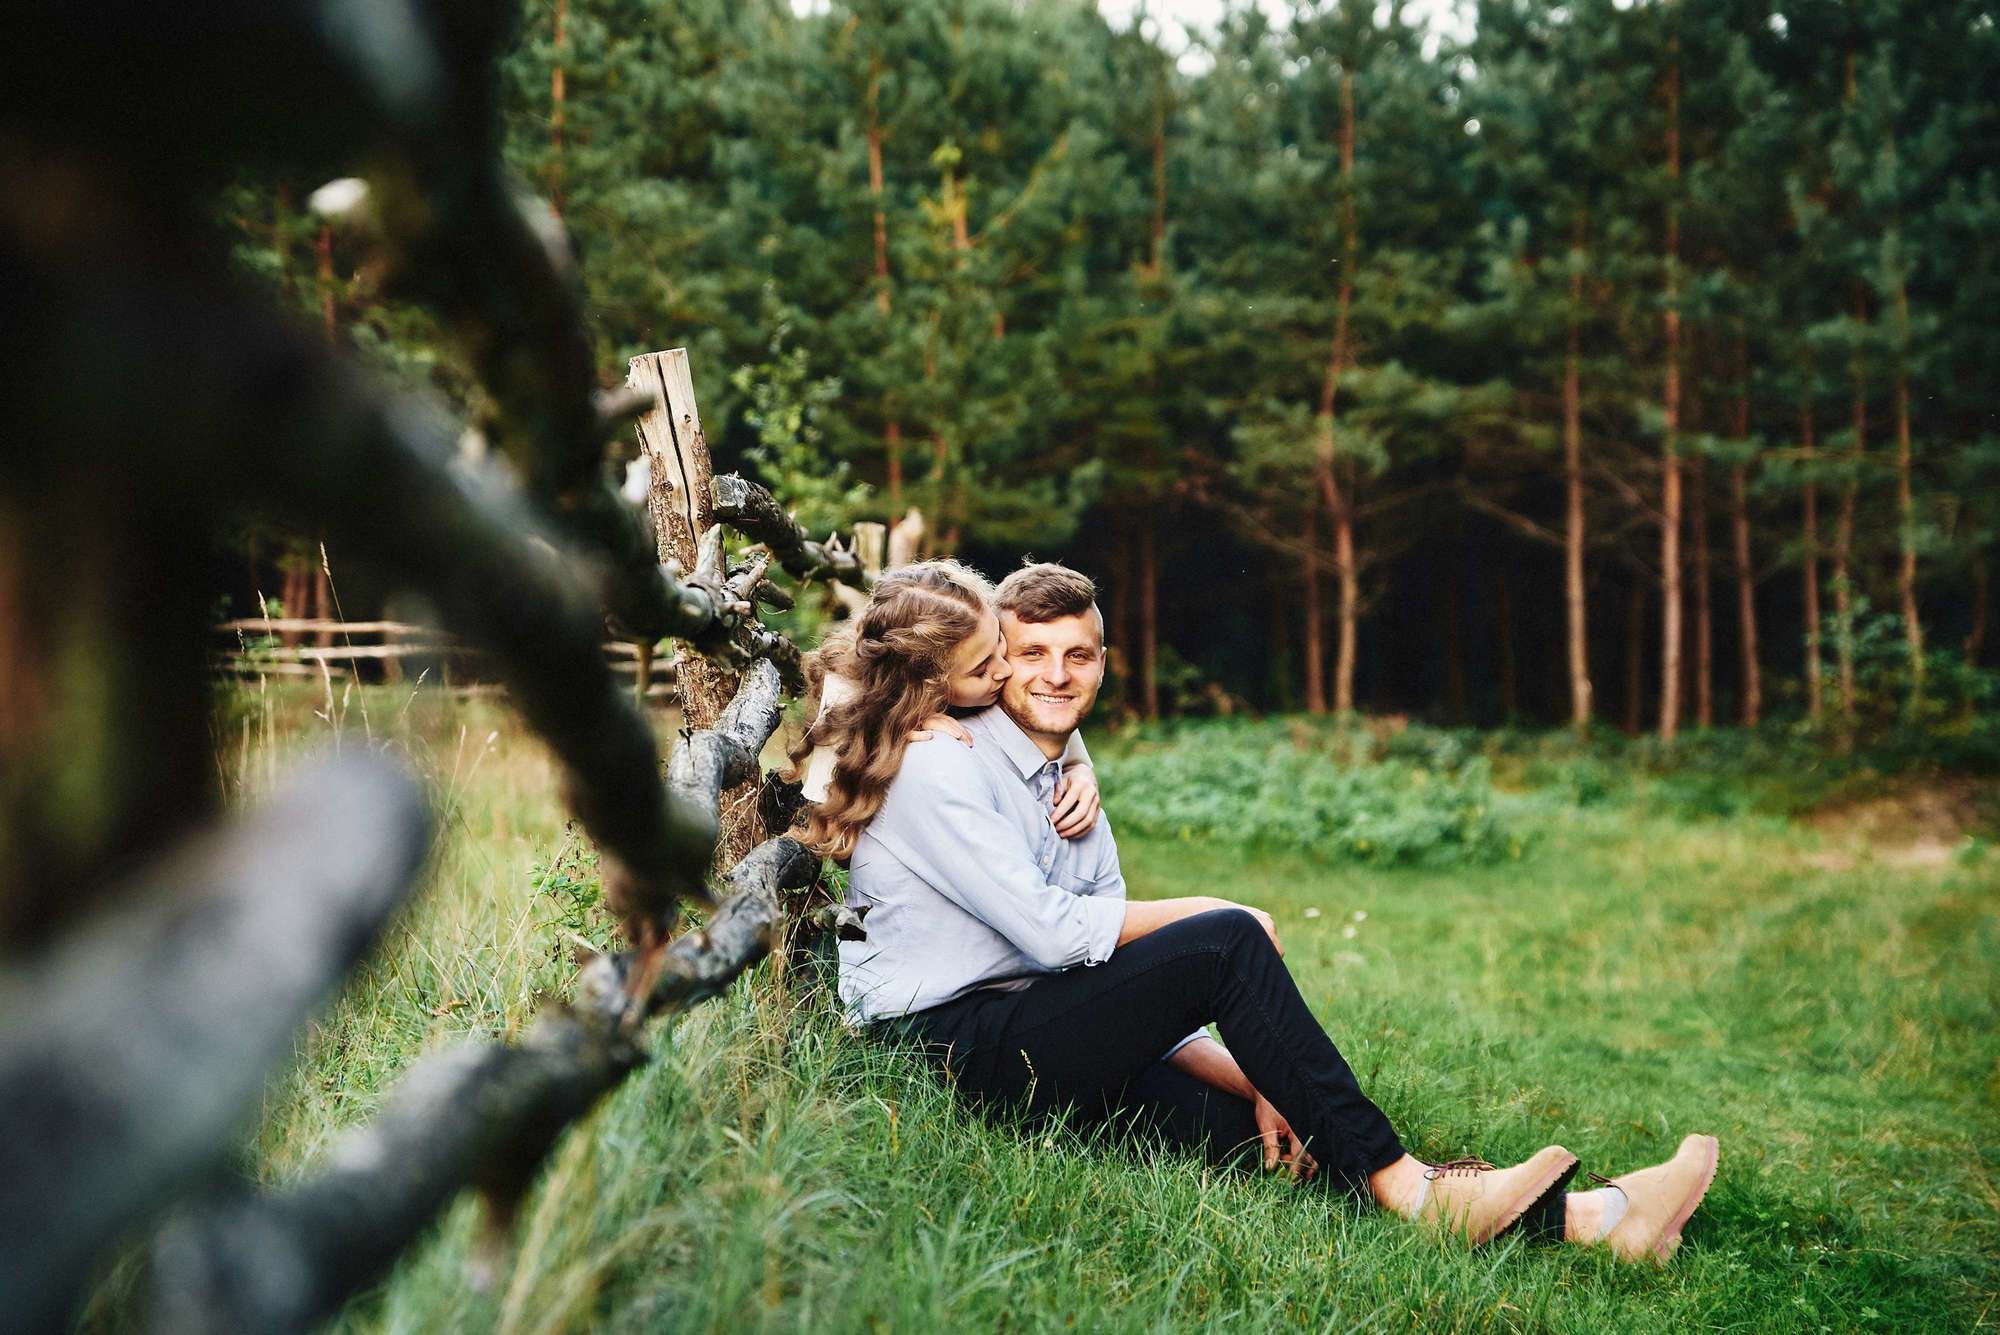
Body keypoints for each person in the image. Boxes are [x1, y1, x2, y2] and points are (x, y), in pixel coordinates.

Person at [804, 559, 1719, 1262]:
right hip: (943, 1051)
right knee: (1228, 938)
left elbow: (1089, 977)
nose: (1042, 673)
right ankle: (1416, 1191)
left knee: (1277, 1139)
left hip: (1023, 1030)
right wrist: (1214, 904)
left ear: (1104, 664)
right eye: (1014, 656)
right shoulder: (937, 758)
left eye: (1073, 655)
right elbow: (1055, 936)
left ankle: (1602, 1220)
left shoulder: (1063, 776)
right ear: (970, 673)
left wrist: (1260, 1076)